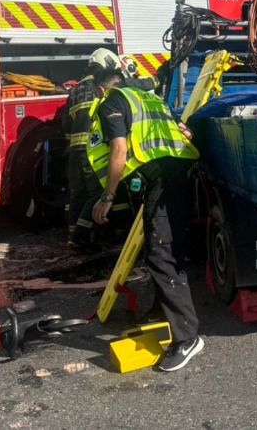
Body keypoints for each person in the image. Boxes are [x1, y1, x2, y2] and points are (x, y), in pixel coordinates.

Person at [87, 67, 204, 372]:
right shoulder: (150, 99)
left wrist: (107, 197)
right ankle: (161, 312)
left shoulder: (112, 101)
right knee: (164, 248)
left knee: (161, 253)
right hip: (176, 176)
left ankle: (187, 337)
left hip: (162, 183)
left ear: (102, 90)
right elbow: (183, 131)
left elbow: (119, 149)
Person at [65, 48, 124, 252]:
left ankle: (73, 235)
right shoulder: (100, 87)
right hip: (93, 149)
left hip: (74, 150)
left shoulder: (74, 90)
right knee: (98, 192)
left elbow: (66, 124)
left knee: (78, 194)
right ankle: (81, 238)